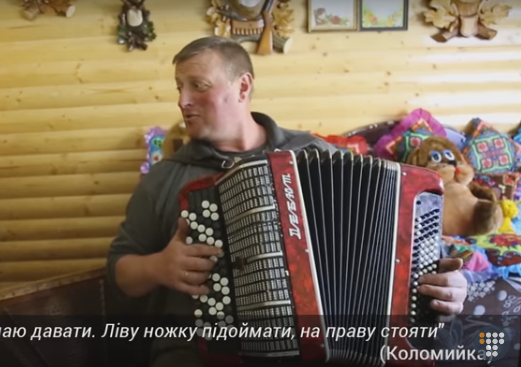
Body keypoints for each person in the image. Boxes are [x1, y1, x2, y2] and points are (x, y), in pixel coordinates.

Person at [105, 36, 468, 366]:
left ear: (242, 86)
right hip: (203, 354)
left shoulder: (315, 155)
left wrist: (450, 289)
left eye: (197, 86)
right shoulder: (166, 179)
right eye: (179, 87)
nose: (182, 101)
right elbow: (118, 272)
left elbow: (419, 265)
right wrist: (159, 268)